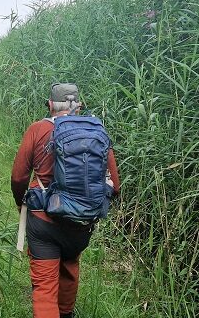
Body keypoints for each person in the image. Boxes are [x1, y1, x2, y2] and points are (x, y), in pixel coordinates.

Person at [10, 83, 121, 318]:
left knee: (45, 285)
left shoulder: (38, 129)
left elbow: (19, 176)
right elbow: (115, 186)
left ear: (50, 104)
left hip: (43, 219)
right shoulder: (97, 131)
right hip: (81, 219)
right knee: (69, 267)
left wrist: (20, 202)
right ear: (79, 106)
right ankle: (66, 314)